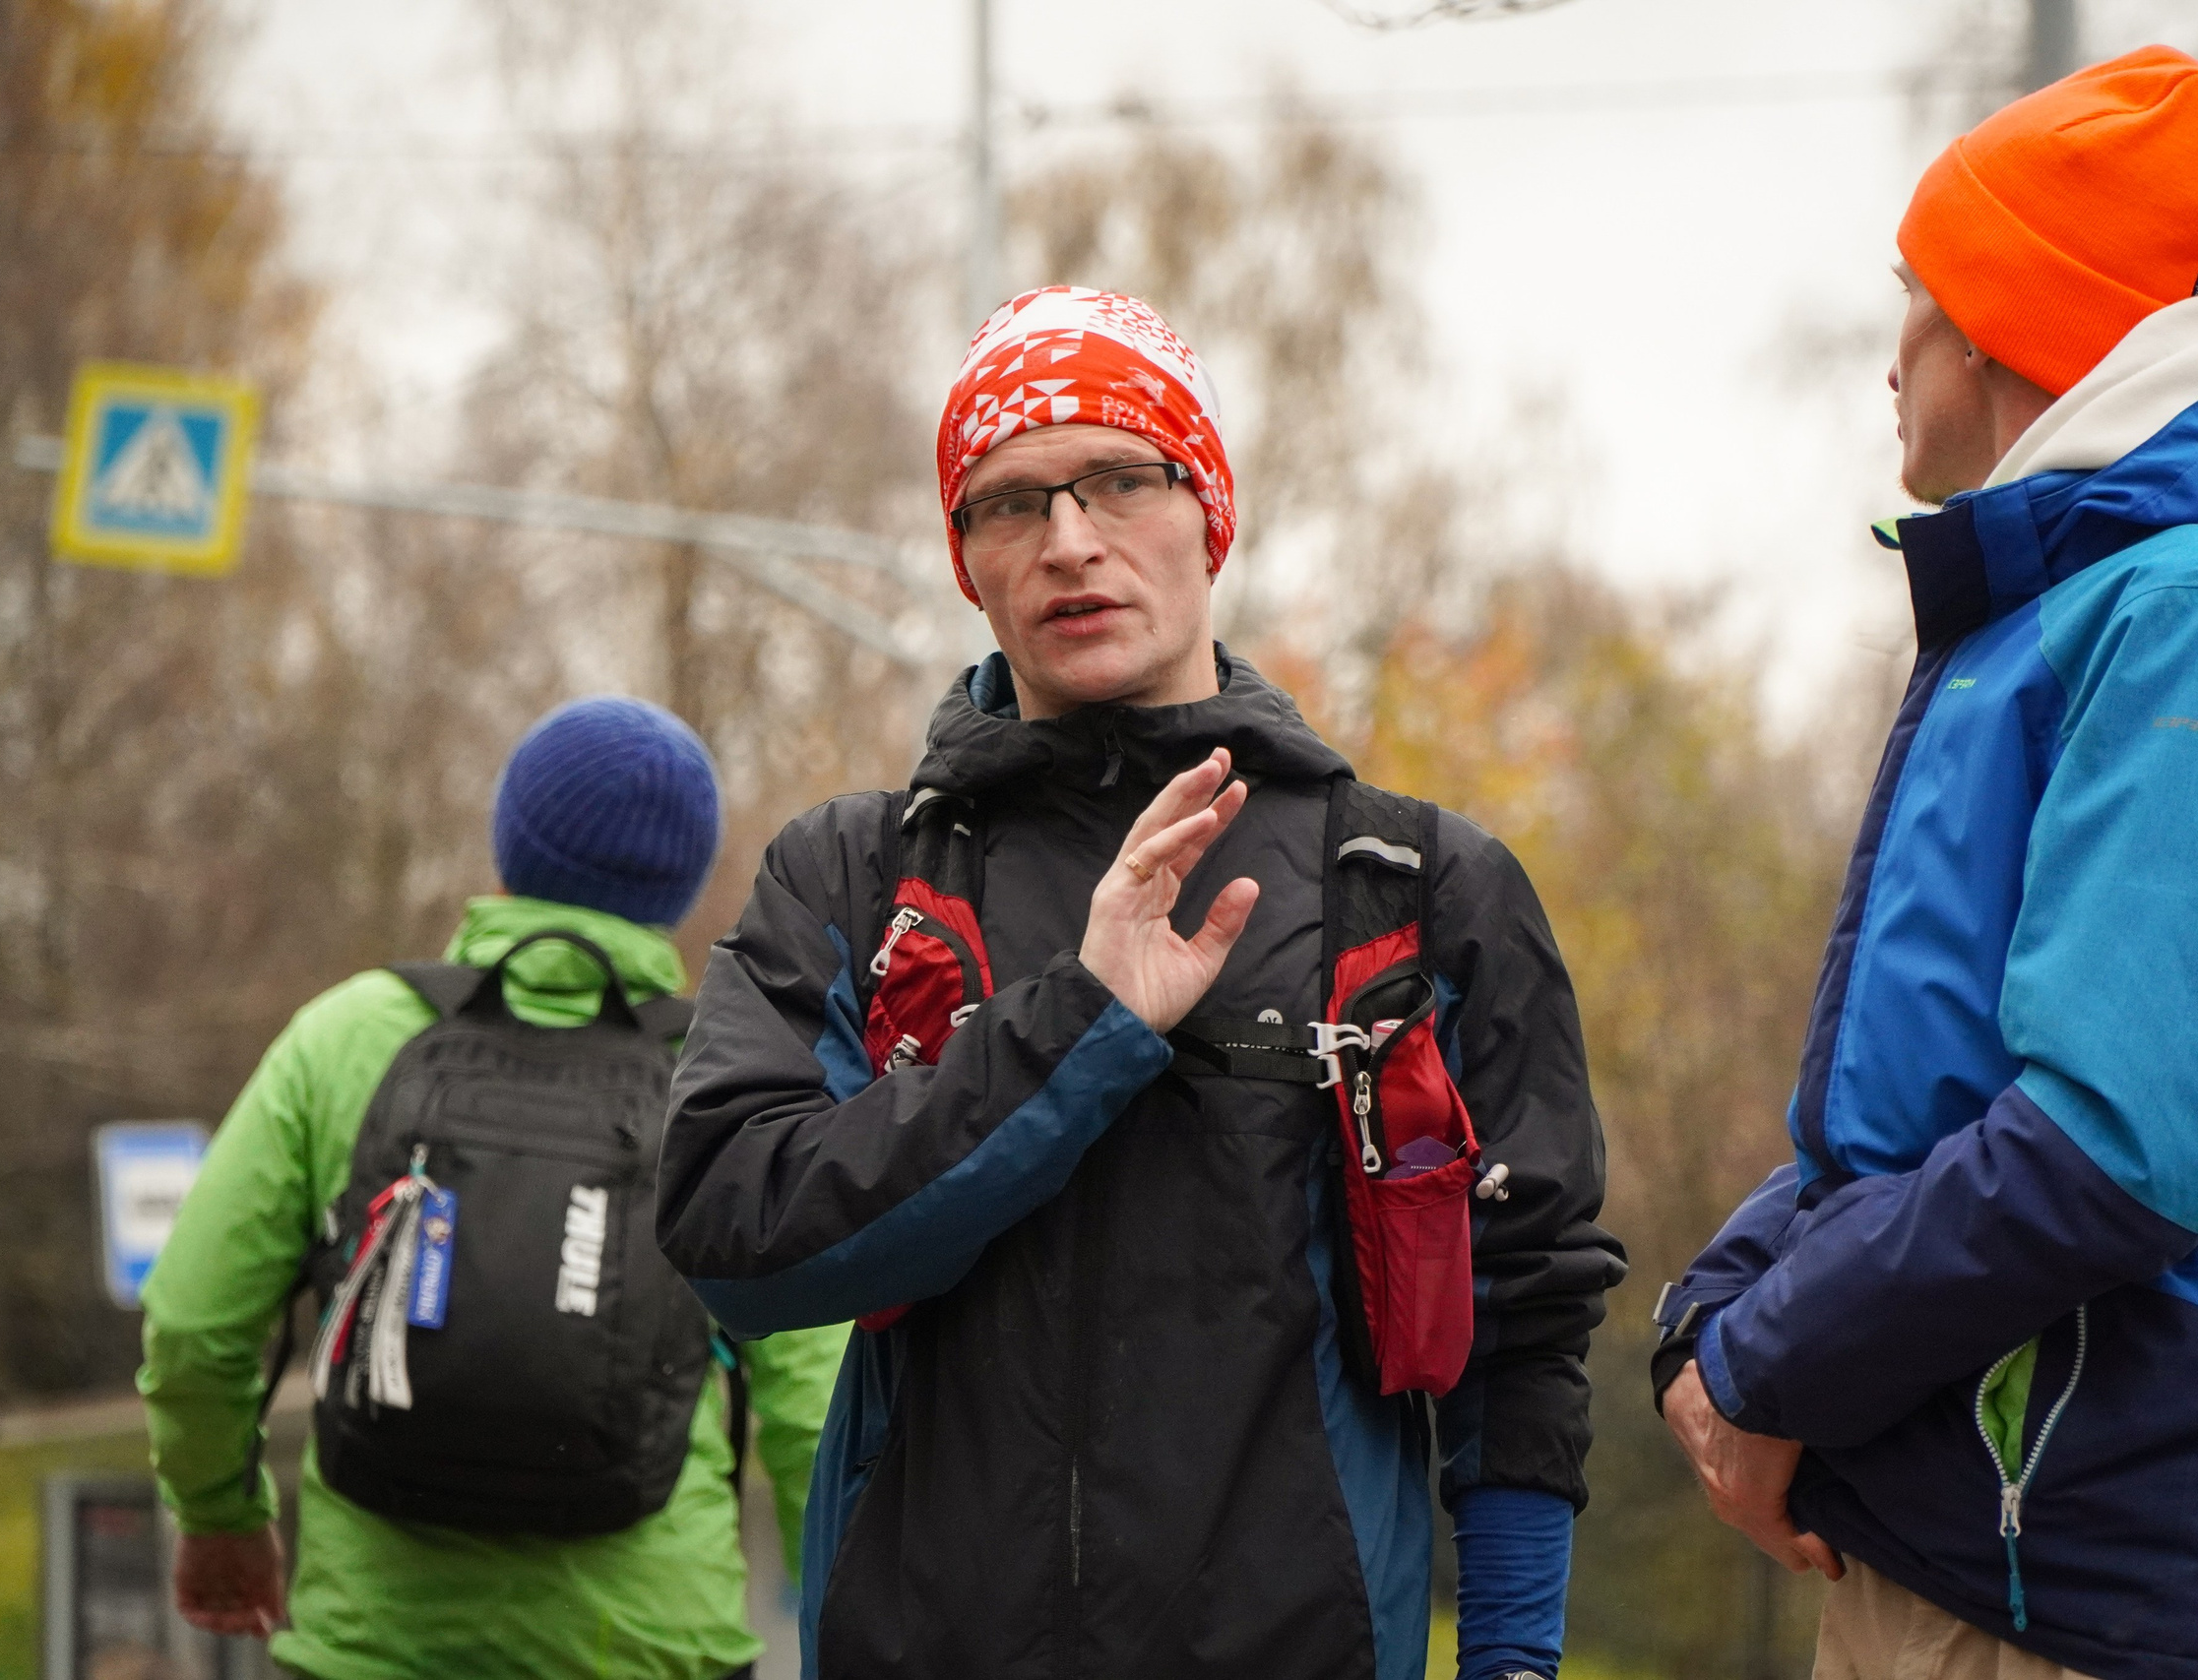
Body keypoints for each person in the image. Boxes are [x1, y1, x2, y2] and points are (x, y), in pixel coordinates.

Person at [654, 285, 1625, 1680]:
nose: (1068, 541)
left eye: (1120, 477)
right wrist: (1081, 1020)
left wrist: (1517, 1654)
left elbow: (1525, 1310)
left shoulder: (1417, 885)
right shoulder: (856, 875)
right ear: (966, 559)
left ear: (1208, 507)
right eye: (1008, 501)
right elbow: (732, 1235)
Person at [1652, 45, 2198, 1680]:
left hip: (2082, 1580)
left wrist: (1764, 1364)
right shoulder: (2071, 614)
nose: (1892, 356)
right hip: (1984, 1550)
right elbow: (1921, 1103)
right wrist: (1715, 1310)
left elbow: (2106, 1149)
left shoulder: (2197, 618)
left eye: (1919, 296)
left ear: (2008, 318)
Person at [140, 696, 849, 1680]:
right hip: (650, 1645)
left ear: (509, 842)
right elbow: (819, 1407)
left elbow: (193, 1324)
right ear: (680, 885)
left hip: (373, 1651)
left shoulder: (349, 1036)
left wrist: (220, 1518)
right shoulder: (727, 1074)